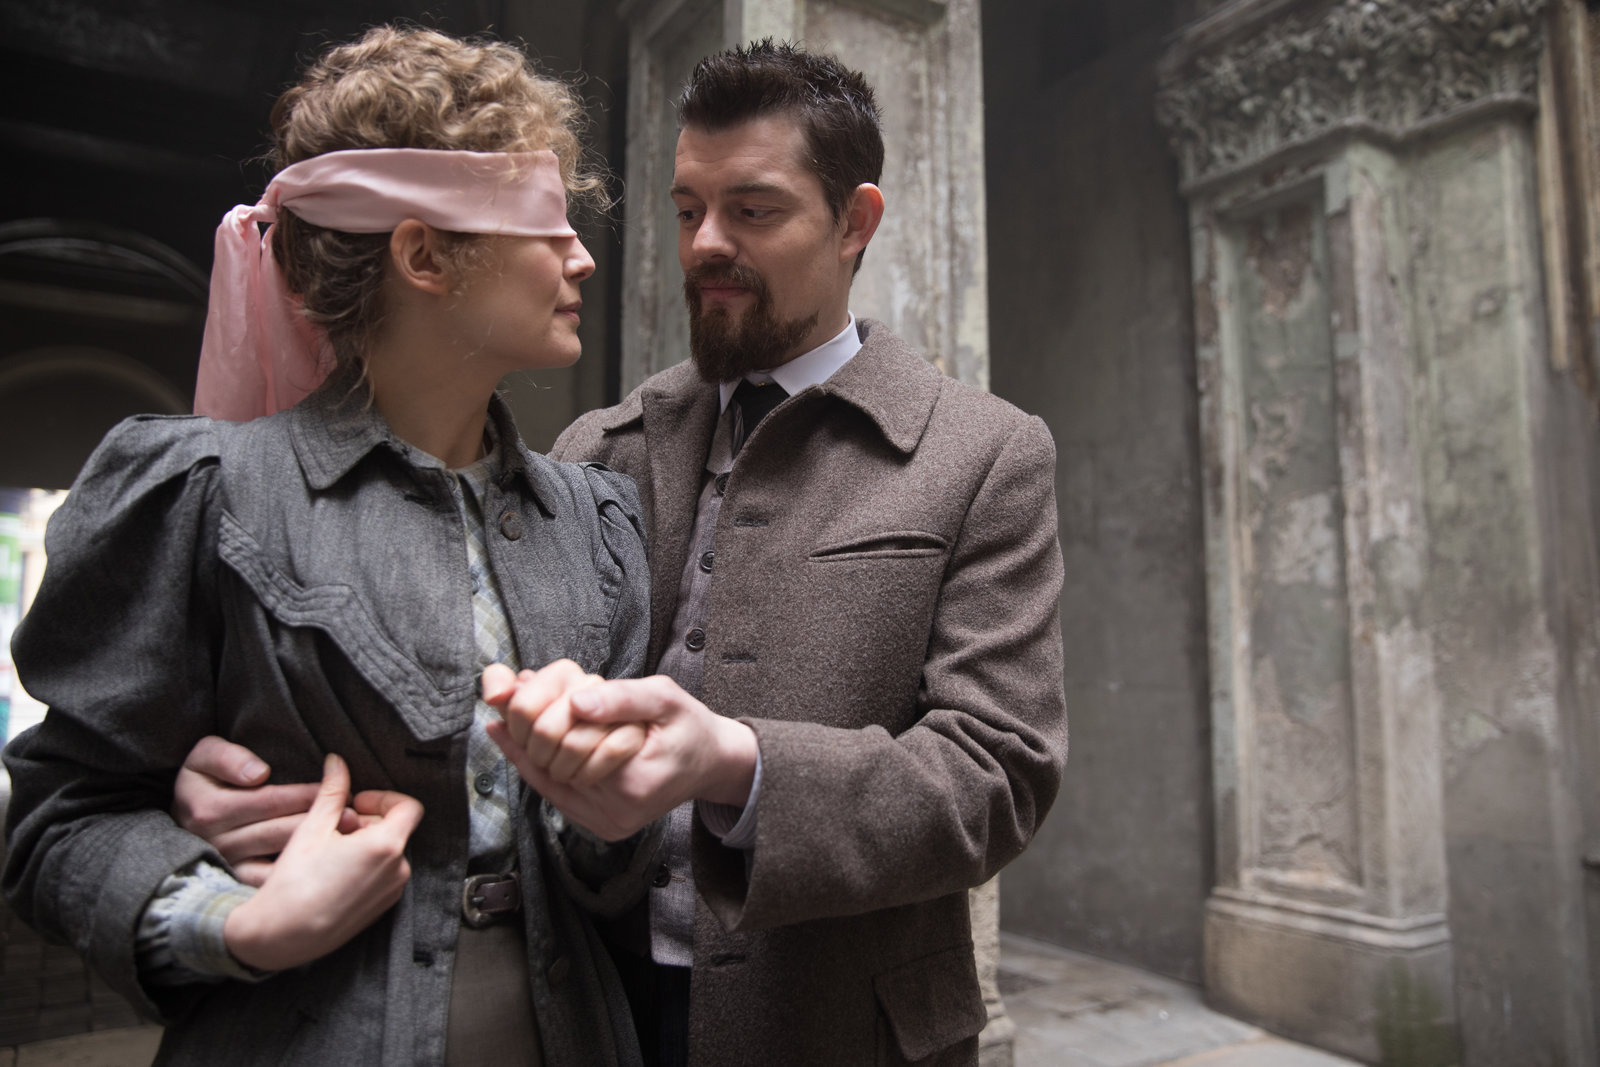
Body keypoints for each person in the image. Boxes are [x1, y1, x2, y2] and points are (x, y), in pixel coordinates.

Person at [175, 39, 1068, 1067]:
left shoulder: (982, 452)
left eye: (753, 210)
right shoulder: (596, 451)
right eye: (687, 210)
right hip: (597, 1013)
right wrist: (248, 788)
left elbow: (999, 774)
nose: (705, 244)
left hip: (840, 1025)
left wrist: (737, 762)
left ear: (854, 222)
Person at [2, 26, 658, 1067]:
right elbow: (62, 819)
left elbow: (625, 865)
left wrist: (615, 816)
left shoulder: (596, 522)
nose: (580, 254)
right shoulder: (207, 493)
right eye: (545, 221)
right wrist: (235, 921)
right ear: (423, 254)